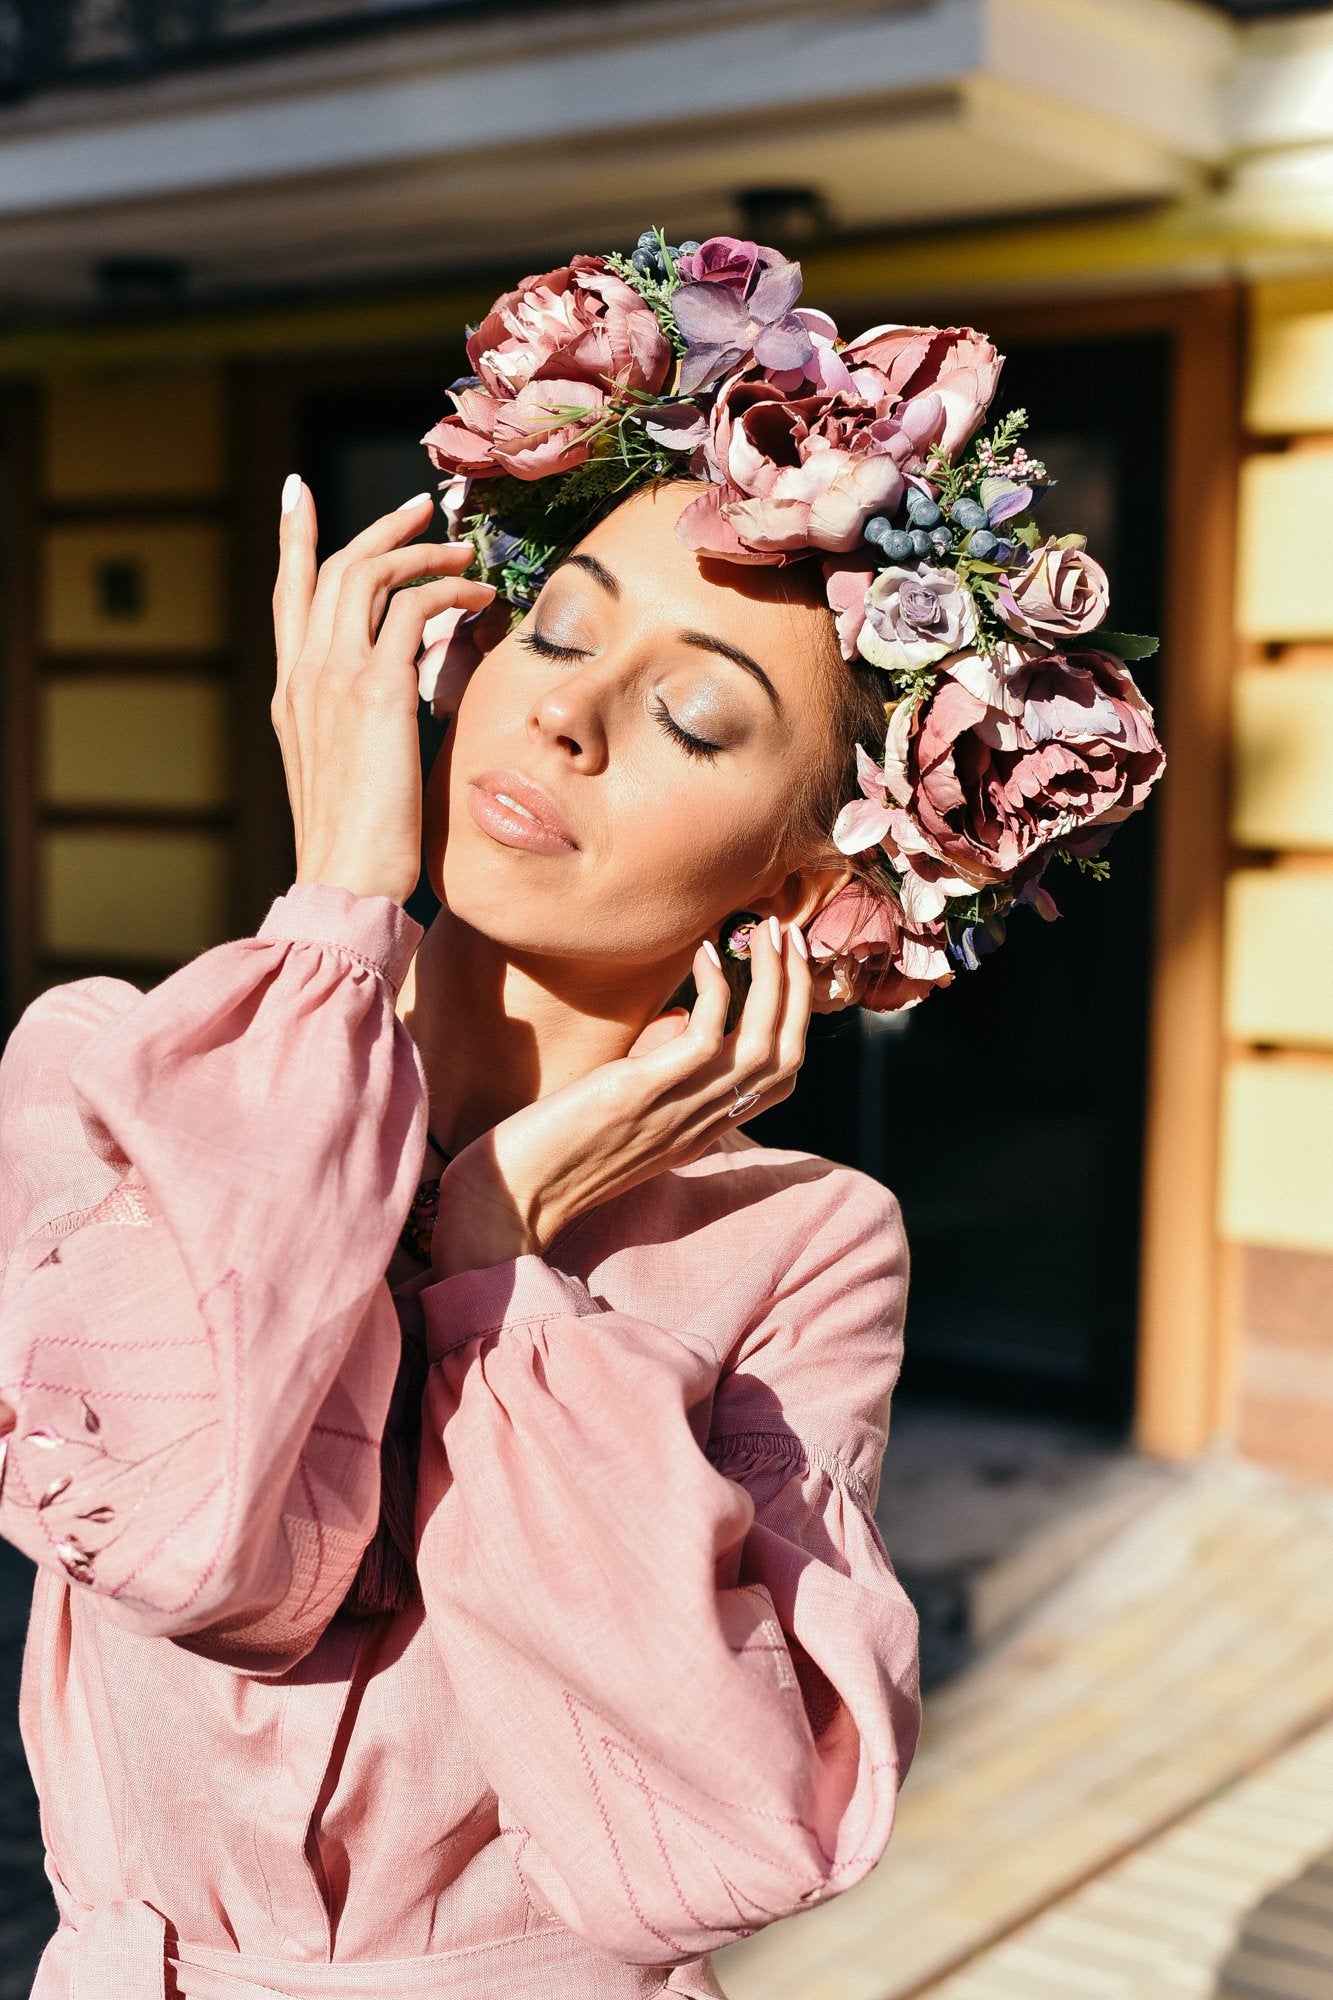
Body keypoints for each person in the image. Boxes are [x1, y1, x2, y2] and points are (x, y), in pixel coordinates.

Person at [0, 232, 1160, 2000]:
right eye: (554, 628)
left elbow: (736, 1832)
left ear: (801, 882)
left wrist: (499, 1265)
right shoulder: (110, 1078)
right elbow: (191, 1548)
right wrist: (334, 908)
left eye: (693, 716)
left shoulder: (799, 1249)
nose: (568, 714)